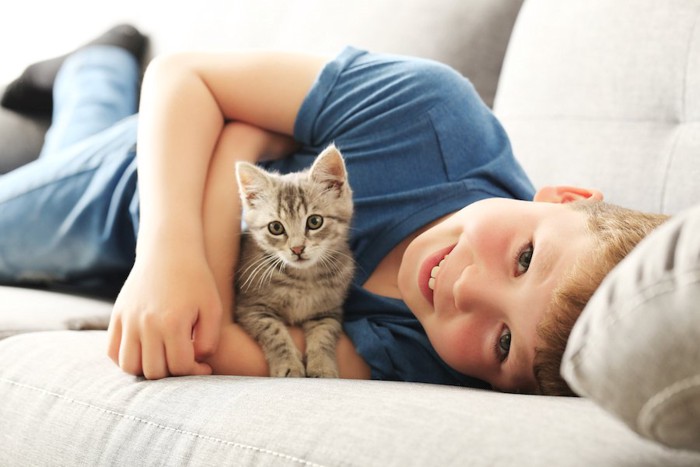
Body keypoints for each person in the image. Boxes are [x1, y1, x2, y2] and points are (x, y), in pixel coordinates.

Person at [0, 26, 668, 395]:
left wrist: (246, 142)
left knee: (61, 164)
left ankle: (96, 67)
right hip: (151, 178)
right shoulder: (433, 117)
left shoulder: (425, 354)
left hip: (209, 189)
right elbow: (190, 79)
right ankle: (101, 69)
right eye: (525, 259)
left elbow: (226, 348)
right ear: (568, 199)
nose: (468, 288)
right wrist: (172, 257)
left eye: (503, 341)